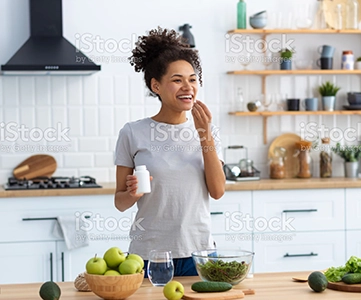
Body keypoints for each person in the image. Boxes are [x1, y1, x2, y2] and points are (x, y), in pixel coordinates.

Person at [114, 27, 225, 277]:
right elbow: (119, 202)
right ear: (156, 86)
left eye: (192, 79)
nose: (188, 86)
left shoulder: (208, 130)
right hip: (150, 255)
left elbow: (217, 191)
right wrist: (132, 193)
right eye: (177, 80)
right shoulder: (132, 133)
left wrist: (204, 134)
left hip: (200, 253)